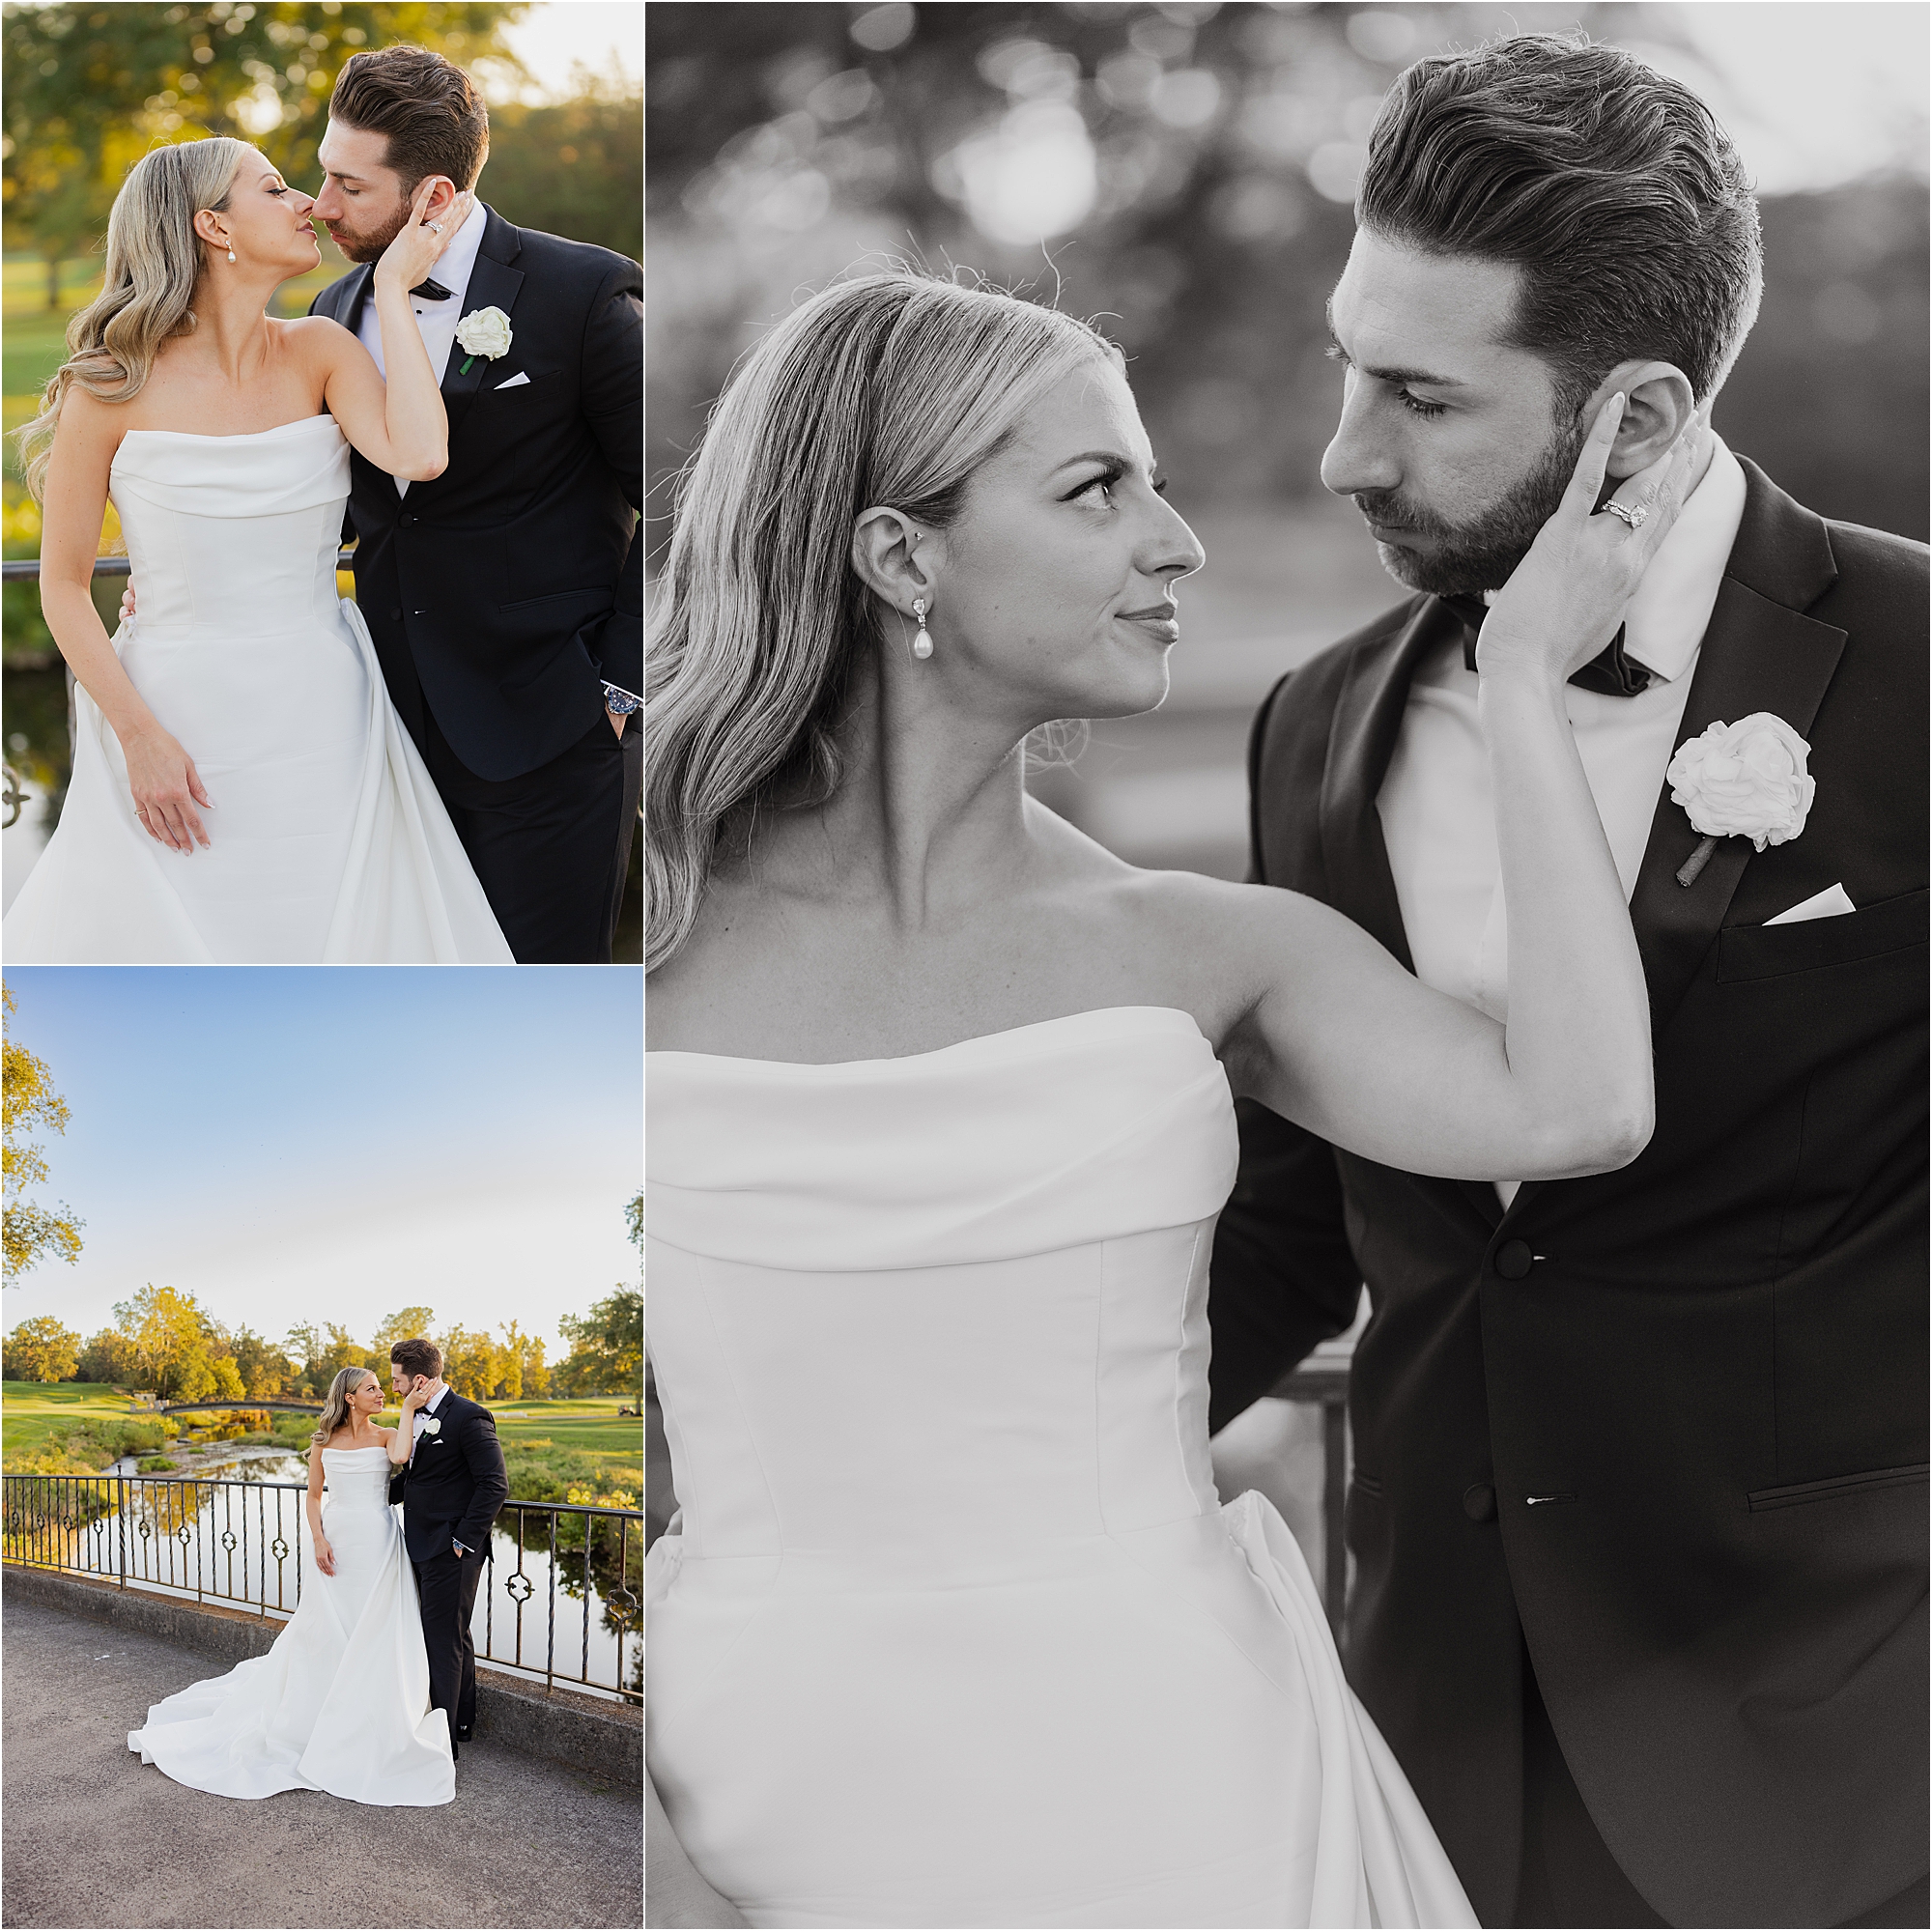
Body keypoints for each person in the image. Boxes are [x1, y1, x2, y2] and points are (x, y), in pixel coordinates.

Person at [644, 266, 1697, 1928]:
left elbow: (1576, 1110)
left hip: (1186, 1794)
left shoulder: (1212, 950)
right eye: (1097, 488)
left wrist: (1520, 684)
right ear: (904, 556)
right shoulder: (632, 936)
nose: (1179, 541)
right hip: (755, 1790)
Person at [1207, 34, 1928, 1931]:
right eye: (1347, 361)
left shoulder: (1925, 670)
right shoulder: (1315, 726)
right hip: (1424, 1741)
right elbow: (1293, 1222)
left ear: (1637, 415)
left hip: (1847, 1754)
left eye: (1421, 395)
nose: (1343, 451)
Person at [4, 135, 511, 964]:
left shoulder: (322, 351)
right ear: (213, 226)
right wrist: (139, 738)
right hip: (172, 711)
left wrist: (392, 287)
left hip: (325, 710)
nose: (308, 202)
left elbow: (420, 455)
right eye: (275, 189)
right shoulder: (108, 385)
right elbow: (62, 587)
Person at [303, 45, 643, 963]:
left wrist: (618, 687)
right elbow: (337, 507)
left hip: (552, 726)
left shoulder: (583, 292)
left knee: (546, 1006)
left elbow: (680, 500)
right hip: (386, 733)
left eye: (349, 186)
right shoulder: (333, 311)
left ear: (435, 197)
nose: (322, 204)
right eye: (324, 175)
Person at [128, 1366, 455, 1804]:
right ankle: (317, 1708)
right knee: (328, 1626)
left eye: (382, 1387)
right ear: (349, 1397)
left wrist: (409, 1407)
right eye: (372, 1388)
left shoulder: (387, 1435)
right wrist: (318, 1539)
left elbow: (400, 1457)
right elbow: (314, 1496)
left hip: (378, 1542)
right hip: (337, 1541)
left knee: (377, 1624)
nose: (381, 1393)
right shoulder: (323, 1441)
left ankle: (370, 1711)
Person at [384, 1337, 507, 1752]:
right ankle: (462, 1723)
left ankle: (442, 1745)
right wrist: (367, 1494)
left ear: (419, 1380)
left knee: (441, 1641)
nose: (393, 1387)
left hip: (451, 1551)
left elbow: (495, 1484)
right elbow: (416, 1479)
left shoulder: (469, 1417)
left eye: (397, 1380)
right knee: (454, 1637)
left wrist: (463, 1541)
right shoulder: (416, 1416)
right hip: (421, 1545)